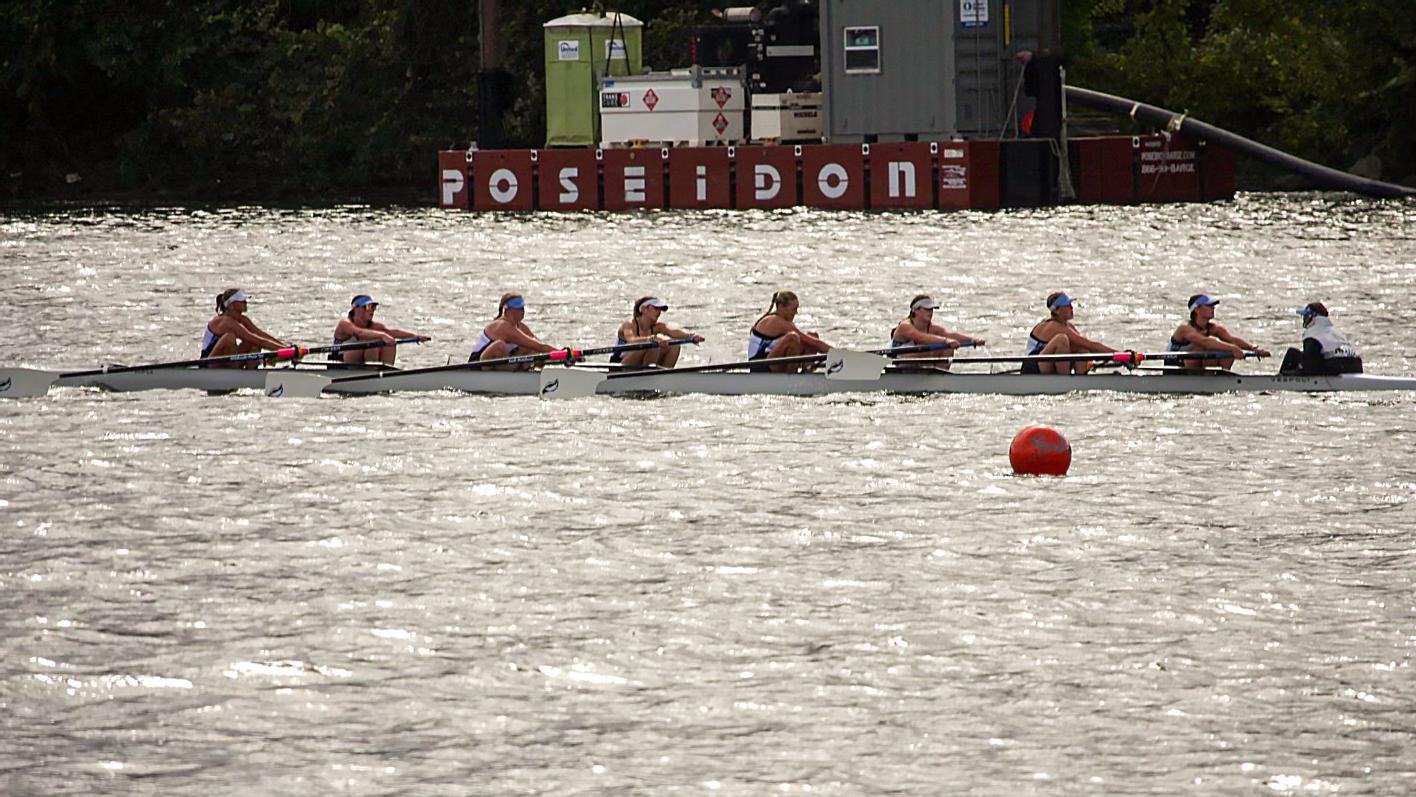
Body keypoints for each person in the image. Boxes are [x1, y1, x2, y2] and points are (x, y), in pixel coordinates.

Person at [1022, 292, 1119, 374]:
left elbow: (1088, 347)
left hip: (1048, 365)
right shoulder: (1052, 326)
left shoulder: (1069, 326)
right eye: (1067, 306)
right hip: (1032, 367)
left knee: (1082, 349)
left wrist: (1116, 357)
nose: (1071, 308)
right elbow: (1092, 346)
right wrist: (1120, 355)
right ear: (1057, 310)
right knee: (1061, 340)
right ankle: (1065, 381)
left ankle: (1080, 381)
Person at [1168, 294, 1270, 370]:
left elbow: (1232, 339)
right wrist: (1233, 348)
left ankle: (1220, 378)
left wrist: (1253, 349)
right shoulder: (1184, 328)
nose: (1213, 308)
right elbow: (1205, 342)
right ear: (1197, 309)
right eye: (1209, 306)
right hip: (1176, 369)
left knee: (1226, 347)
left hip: (1197, 368)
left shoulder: (1213, 328)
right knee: (1211, 346)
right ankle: (1210, 380)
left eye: (1213, 306)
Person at [468, 292, 561, 369]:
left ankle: (525, 375)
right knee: (499, 345)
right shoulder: (502, 326)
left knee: (532, 350)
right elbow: (541, 347)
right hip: (477, 366)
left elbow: (539, 346)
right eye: (519, 308)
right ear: (507, 310)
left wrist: (561, 356)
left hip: (504, 365)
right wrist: (563, 354)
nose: (522, 311)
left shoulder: (521, 327)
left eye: (523, 308)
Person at [748, 290, 833, 372]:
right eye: (794, 309)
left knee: (812, 335)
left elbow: (812, 343)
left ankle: (806, 374)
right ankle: (792, 378)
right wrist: (837, 353)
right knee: (792, 338)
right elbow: (815, 343)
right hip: (760, 366)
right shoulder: (774, 321)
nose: (796, 312)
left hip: (772, 362)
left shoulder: (785, 322)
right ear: (781, 307)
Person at [199, 289, 286, 368]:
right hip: (209, 363)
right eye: (242, 301)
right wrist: (286, 351)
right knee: (229, 337)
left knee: (253, 343)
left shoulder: (243, 319)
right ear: (231, 305)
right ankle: (235, 373)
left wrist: (287, 348)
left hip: (227, 362)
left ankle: (252, 372)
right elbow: (258, 340)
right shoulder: (225, 322)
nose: (245, 302)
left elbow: (261, 335)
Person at [890, 295, 986, 368]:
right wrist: (946, 341)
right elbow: (921, 337)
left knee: (948, 349)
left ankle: (939, 377)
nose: (931, 312)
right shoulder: (905, 326)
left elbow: (950, 334)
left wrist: (973, 340)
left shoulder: (932, 328)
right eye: (927, 309)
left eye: (932, 309)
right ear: (916, 310)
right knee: (938, 346)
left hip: (917, 360)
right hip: (900, 361)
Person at [331, 294, 428, 366]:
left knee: (390, 343)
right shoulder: (345, 324)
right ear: (356, 309)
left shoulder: (375, 326)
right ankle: (372, 373)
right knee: (372, 343)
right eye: (368, 307)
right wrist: (382, 336)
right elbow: (360, 333)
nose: (372, 311)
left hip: (360, 363)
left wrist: (415, 336)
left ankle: (385, 373)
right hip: (340, 362)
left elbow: (392, 333)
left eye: (374, 307)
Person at [612, 297, 704, 369]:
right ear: (643, 309)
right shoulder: (629, 324)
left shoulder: (657, 327)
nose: (659, 312)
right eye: (656, 309)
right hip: (621, 364)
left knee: (674, 346)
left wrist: (690, 336)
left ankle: (663, 376)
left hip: (639, 364)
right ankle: (648, 377)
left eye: (660, 310)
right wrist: (650, 339)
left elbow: (673, 332)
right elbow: (631, 340)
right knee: (653, 345)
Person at [1279, 302, 1363, 375]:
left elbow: (1310, 368)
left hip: (1336, 367)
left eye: (1305, 316)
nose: (1303, 319)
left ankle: (1280, 380)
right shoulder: (1335, 332)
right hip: (1354, 366)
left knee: (1292, 354)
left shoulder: (1313, 333)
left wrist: (1292, 373)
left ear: (1311, 316)